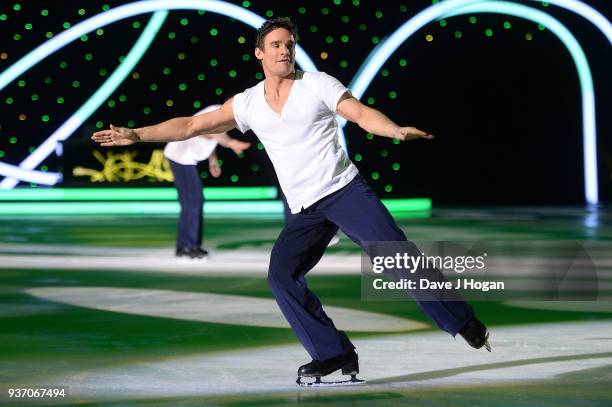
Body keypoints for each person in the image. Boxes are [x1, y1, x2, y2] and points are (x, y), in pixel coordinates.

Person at [93, 17, 490, 386]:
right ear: (260, 53)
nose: (285, 50)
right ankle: (334, 352)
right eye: (277, 44)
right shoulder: (248, 103)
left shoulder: (317, 84)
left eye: (290, 44)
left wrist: (395, 130)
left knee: (394, 254)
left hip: (344, 191)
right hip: (306, 209)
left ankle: (463, 321)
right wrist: (137, 134)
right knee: (281, 275)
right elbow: (193, 125)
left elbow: (360, 112)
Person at [163, 104, 251, 259]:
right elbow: (212, 133)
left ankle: (186, 245)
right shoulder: (216, 112)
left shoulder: (223, 115)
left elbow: (213, 138)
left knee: (193, 202)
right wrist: (231, 144)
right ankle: (188, 247)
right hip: (180, 158)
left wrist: (213, 161)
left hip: (186, 159)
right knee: (193, 202)